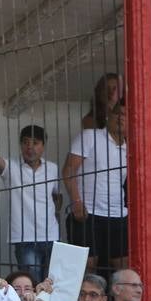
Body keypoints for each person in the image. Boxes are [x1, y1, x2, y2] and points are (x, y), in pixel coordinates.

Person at [0, 124, 60, 279]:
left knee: (51, 285)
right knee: (31, 284)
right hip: (24, 238)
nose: (30, 147)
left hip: (51, 235)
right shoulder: (12, 167)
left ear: (43, 145)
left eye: (35, 142)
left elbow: (56, 196)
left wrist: (53, 214)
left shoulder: (52, 168)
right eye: (25, 142)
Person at [63, 98, 128, 272]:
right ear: (109, 116)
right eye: (118, 113)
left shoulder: (131, 149)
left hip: (118, 215)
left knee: (122, 268)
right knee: (87, 267)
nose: (121, 118)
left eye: (127, 115)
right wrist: (76, 202)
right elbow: (69, 170)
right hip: (87, 212)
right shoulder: (90, 136)